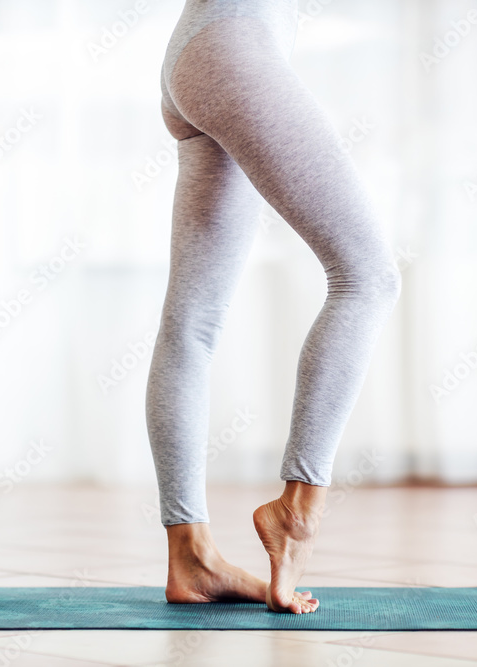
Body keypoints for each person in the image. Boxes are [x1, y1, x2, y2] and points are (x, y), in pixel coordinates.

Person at [145, 0, 401, 614]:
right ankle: (298, 513)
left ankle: (192, 557)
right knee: (367, 276)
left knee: (192, 325)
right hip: (234, 46)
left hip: (203, 50)